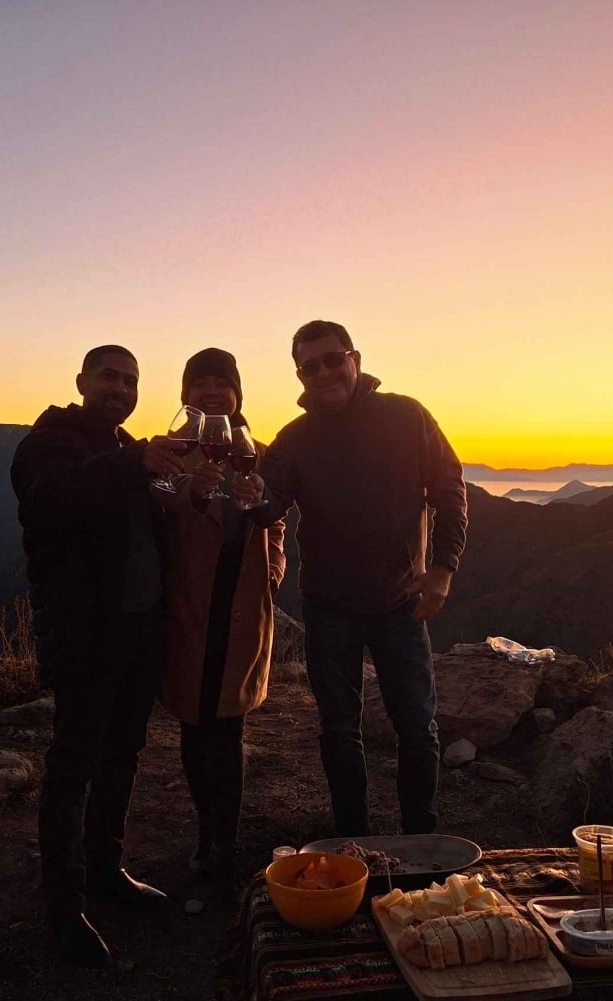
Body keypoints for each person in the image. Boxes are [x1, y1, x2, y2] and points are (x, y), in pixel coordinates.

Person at [251, 320, 467, 837]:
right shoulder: (294, 440)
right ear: (300, 375)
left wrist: (443, 568)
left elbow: (448, 487)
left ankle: (422, 837)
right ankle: (353, 839)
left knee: (417, 726)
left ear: (356, 359)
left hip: (401, 601)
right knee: (339, 728)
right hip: (329, 605)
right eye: (311, 366)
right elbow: (267, 505)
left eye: (333, 359)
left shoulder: (406, 416)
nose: (324, 372)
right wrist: (226, 486)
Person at [10, 344, 185, 967]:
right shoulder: (47, 446)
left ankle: (107, 869)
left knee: (123, 755)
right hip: (85, 638)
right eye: (109, 376)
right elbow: (54, 501)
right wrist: (137, 460)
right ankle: (64, 905)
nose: (119, 387)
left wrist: (186, 481)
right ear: (82, 380)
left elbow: (162, 501)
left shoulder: (131, 450)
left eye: (131, 380)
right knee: (73, 765)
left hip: (139, 633)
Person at [151, 348, 286, 893]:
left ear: (237, 395)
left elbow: (275, 523)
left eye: (222, 384)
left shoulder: (259, 454)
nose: (211, 391)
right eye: (200, 382)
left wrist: (272, 567)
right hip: (188, 606)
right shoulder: (171, 453)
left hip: (240, 603)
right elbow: (155, 502)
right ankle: (205, 831)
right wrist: (192, 492)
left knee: (228, 727)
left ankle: (222, 844)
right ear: (186, 394)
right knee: (193, 721)